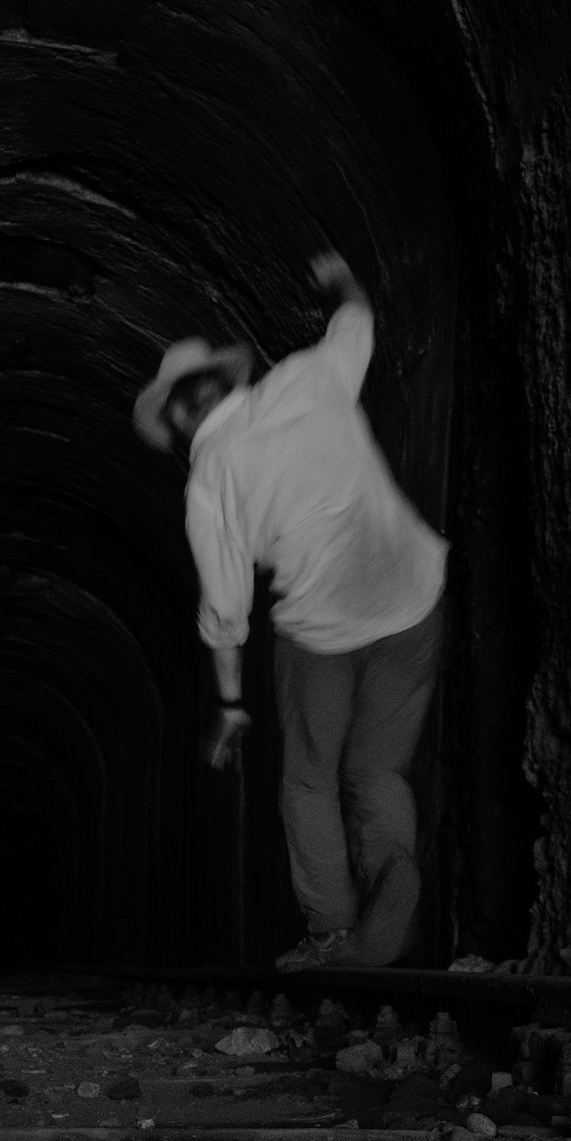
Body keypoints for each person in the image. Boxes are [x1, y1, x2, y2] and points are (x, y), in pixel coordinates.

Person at [133, 251, 447, 968]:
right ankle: (394, 878)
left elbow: (226, 610)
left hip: (324, 632)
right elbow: (358, 317)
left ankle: (333, 929)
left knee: (308, 776)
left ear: (182, 416)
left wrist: (233, 700)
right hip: (414, 599)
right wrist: (337, 274)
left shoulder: (211, 478)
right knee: (375, 771)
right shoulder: (310, 375)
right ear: (225, 380)